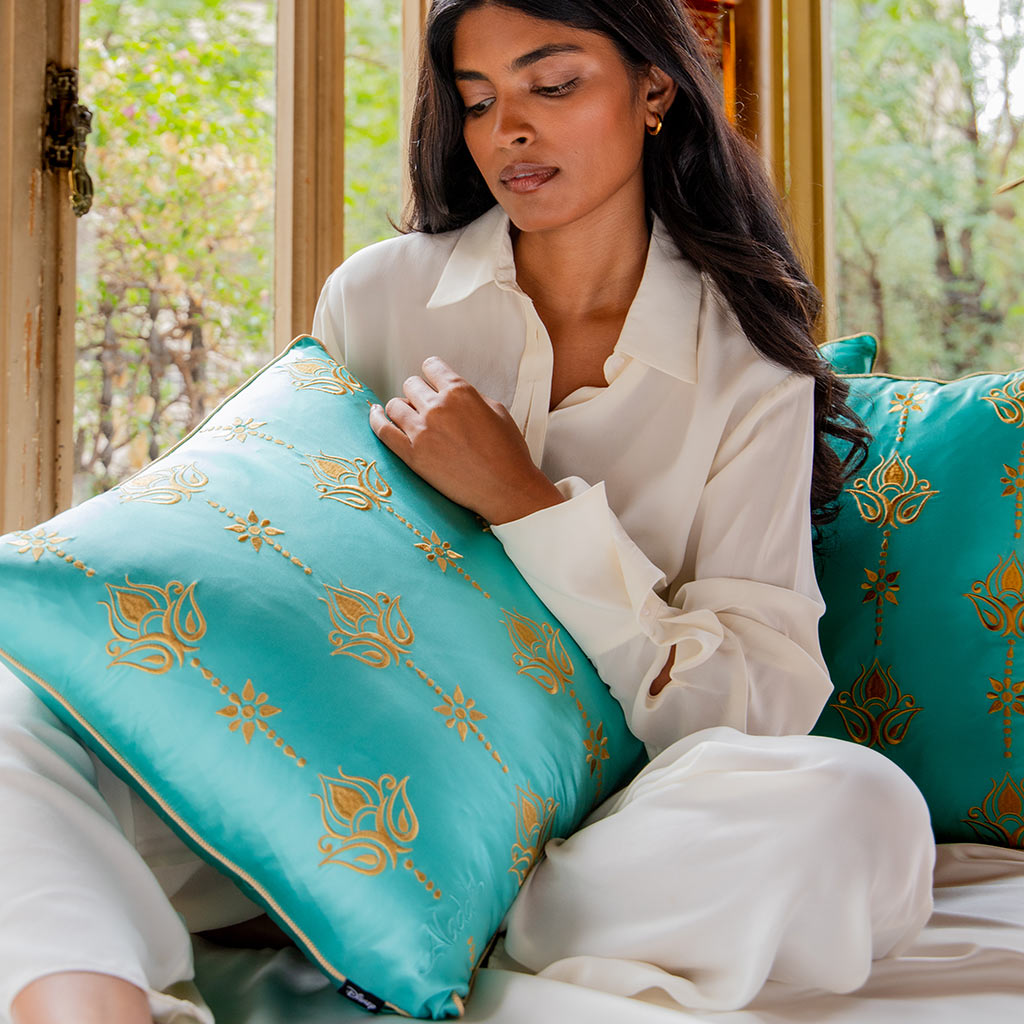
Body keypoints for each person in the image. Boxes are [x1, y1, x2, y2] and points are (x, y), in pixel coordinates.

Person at [0, 1, 935, 1022]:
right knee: (18, 711)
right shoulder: (378, 298)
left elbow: (750, 709)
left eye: (553, 84)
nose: (508, 131)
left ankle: (414, 950)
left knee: (861, 812)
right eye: (478, 99)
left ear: (655, 89)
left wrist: (527, 503)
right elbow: (296, 554)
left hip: (587, 833)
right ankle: (92, 1002)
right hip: (335, 780)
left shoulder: (746, 367)